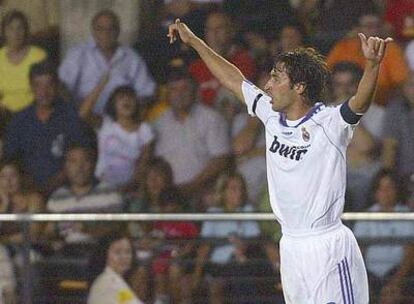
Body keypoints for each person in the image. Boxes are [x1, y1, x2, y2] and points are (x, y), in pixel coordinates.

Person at [168, 17, 393, 303]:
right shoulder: (271, 116)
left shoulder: (329, 122)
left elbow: (359, 101)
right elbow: (233, 79)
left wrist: (372, 66)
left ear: (299, 87)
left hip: (327, 246)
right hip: (290, 246)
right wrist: (195, 42)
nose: (268, 84)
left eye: (276, 77)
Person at [3, 60, 94, 192]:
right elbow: (11, 160)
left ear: (57, 86)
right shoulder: (18, 120)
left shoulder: (71, 116)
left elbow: (83, 156)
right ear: (31, 87)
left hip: (67, 188)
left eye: (49, 85)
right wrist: (29, 184)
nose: (43, 92)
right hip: (27, 190)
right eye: (38, 85)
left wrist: (53, 184)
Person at [59, 9, 156, 115]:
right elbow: (62, 86)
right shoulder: (78, 54)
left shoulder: (131, 57)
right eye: (100, 29)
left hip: (121, 120)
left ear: (118, 31)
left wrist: (132, 113)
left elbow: (147, 91)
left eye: (111, 28)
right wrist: (76, 111)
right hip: (84, 117)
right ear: (93, 31)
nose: (106, 33)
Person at [353, 169, 414, 303]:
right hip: (370, 274)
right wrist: (363, 282)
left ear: (397, 190)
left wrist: (396, 282)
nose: (385, 192)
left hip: (398, 274)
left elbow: (410, 254)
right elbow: (358, 254)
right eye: (381, 188)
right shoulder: (365, 216)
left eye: (389, 187)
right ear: (375, 192)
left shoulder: (406, 215)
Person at [0, 10, 47, 112]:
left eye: (20, 28)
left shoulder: (38, 55)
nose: (15, 33)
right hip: (4, 114)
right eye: (10, 29)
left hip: (33, 112)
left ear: (26, 31)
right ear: (4, 32)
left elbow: (46, 92)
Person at [88, 232, 145, 304]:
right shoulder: (109, 282)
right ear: (104, 255)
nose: (124, 257)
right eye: (117, 252)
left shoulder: (115, 279)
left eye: (128, 252)